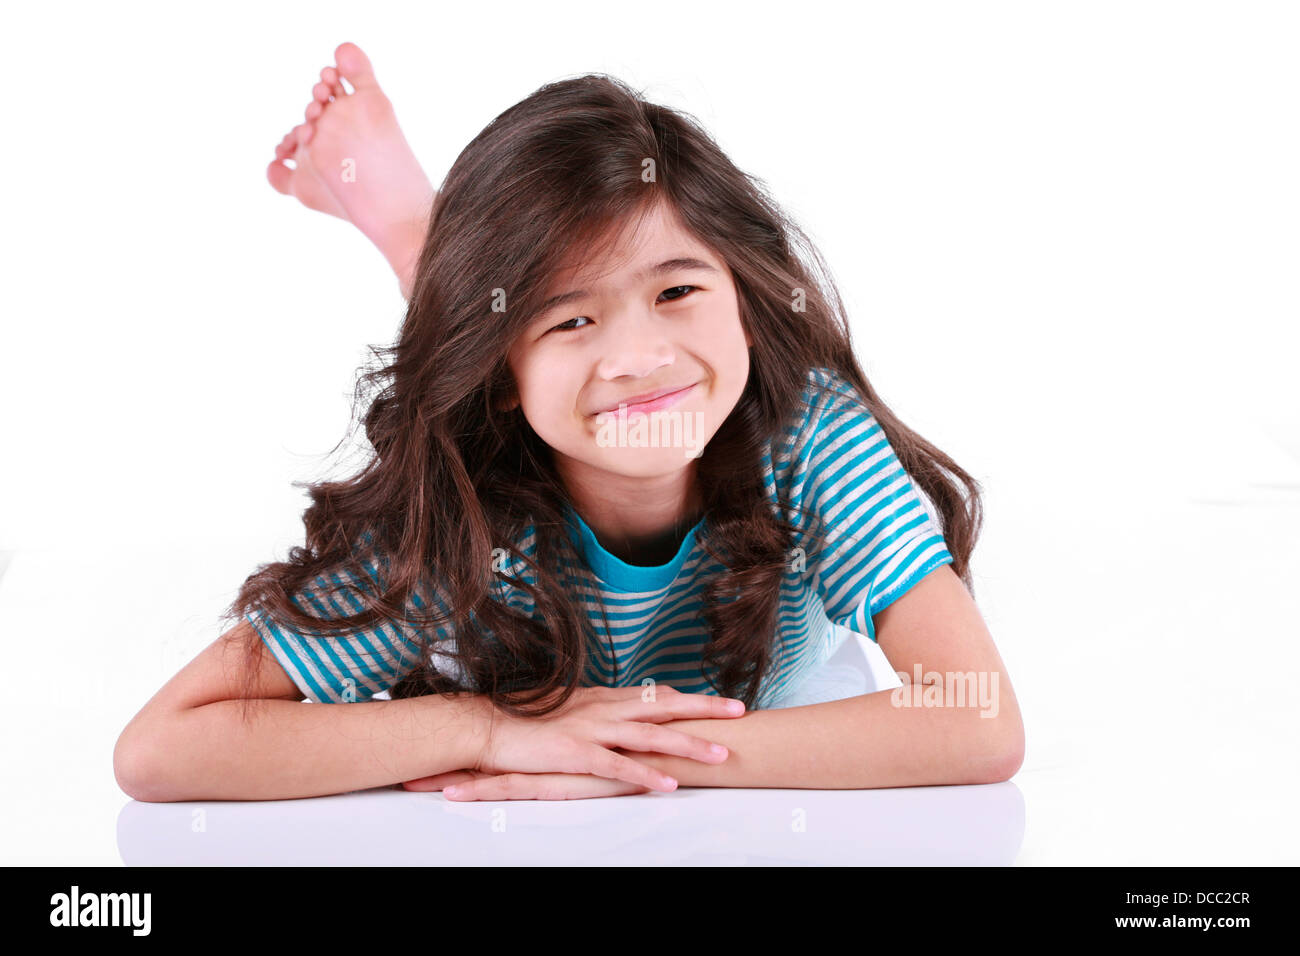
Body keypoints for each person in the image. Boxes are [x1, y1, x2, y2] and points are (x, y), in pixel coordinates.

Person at [114, 43, 1023, 804]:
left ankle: (425, 236)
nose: (640, 353)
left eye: (678, 290)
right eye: (572, 319)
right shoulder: (461, 505)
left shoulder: (809, 433)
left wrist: (625, 756)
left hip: (764, 676)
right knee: (485, 336)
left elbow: (978, 717)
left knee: (549, 338)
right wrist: (490, 728)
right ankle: (421, 239)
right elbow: (159, 749)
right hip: (505, 414)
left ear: (743, 297)